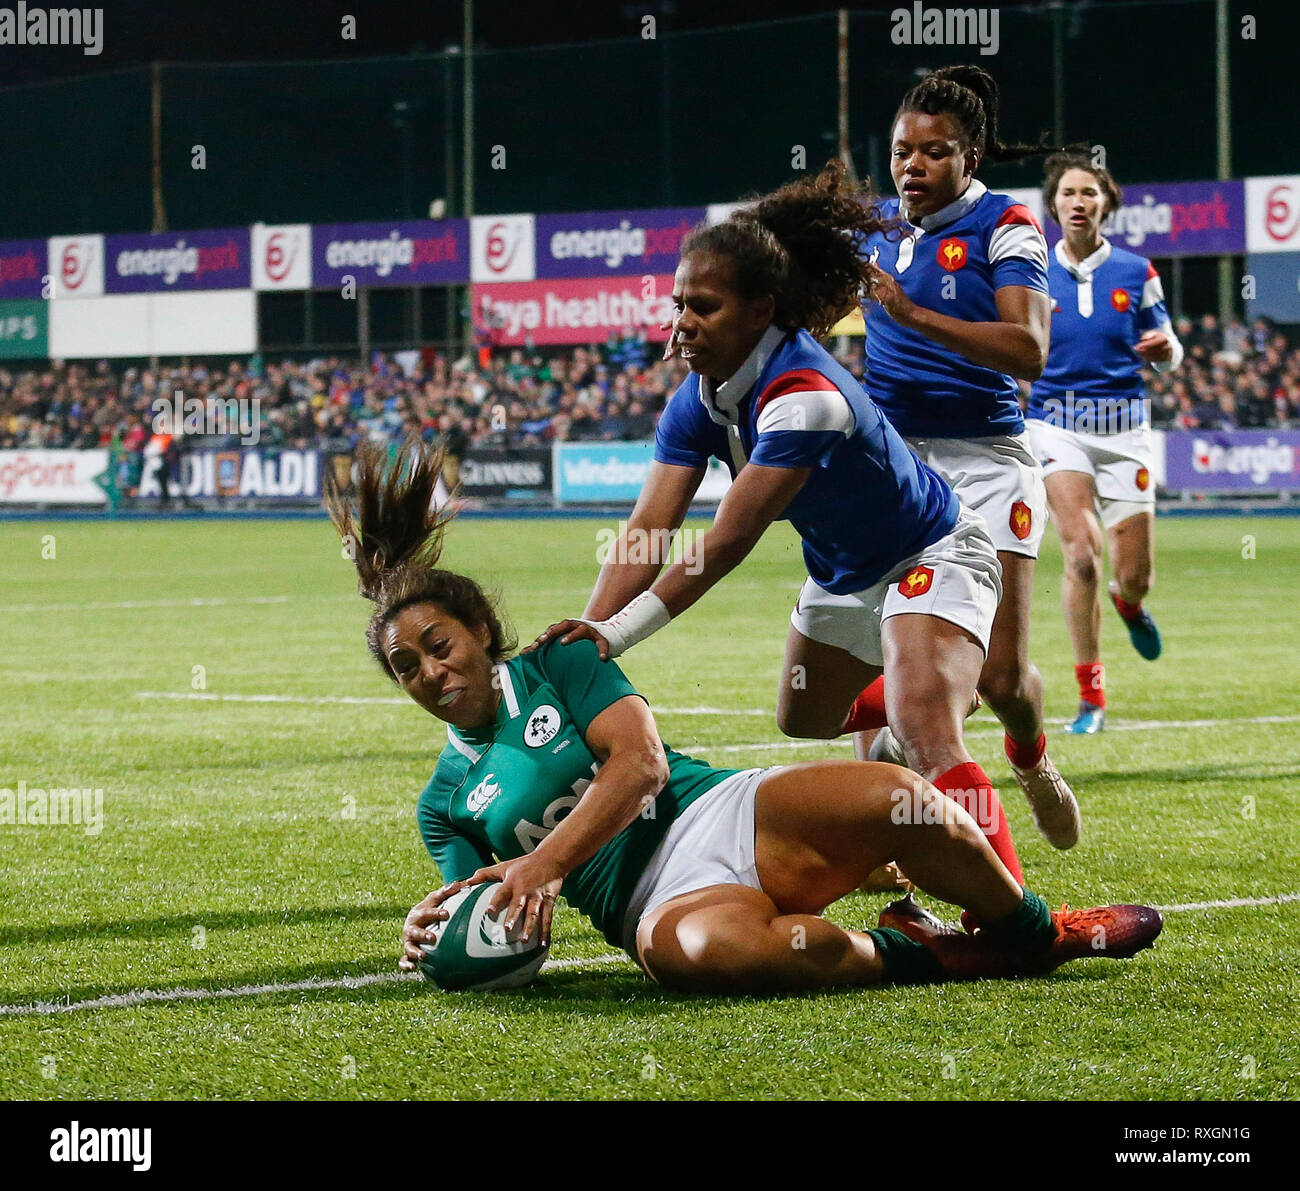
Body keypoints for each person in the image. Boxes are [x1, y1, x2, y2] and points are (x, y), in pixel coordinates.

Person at [327, 438, 1162, 993]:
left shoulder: (560, 662)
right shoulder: (443, 804)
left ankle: (1033, 928)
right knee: (709, 956)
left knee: (902, 799)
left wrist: (541, 861)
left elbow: (641, 764)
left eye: (439, 645)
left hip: (719, 808)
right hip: (652, 907)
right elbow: (485, 908)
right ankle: (932, 950)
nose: (431, 671)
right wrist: (434, 933)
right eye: (407, 666)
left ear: (478, 632)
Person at [531, 161, 1036, 902]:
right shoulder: (697, 399)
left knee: (928, 734)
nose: (682, 324)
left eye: (702, 306)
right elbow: (648, 528)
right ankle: (920, 685)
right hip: (843, 570)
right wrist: (590, 628)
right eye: (678, 304)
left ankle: (1018, 916)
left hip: (933, 548)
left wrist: (619, 636)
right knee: (804, 715)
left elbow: (725, 543)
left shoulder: (807, 397)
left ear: (761, 310)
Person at [855, 64, 1080, 849]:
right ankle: (899, 836)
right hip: (896, 470)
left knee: (1002, 678)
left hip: (987, 461)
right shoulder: (876, 228)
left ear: (970, 157)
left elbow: (1030, 348)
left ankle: (1030, 752)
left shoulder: (1008, 226)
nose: (912, 167)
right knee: (888, 664)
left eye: (933, 152)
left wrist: (908, 312)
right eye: (900, 151)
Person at [1026, 153, 1183, 734]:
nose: (1077, 201)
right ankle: (1091, 696)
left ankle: (1131, 602)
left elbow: (1167, 340)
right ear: (1054, 204)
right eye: (1068, 192)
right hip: (1056, 425)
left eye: (1088, 192)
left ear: (1105, 204)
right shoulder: (1034, 268)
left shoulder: (1137, 271)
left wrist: (1167, 351)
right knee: (1081, 554)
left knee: (1134, 571)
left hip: (1125, 429)